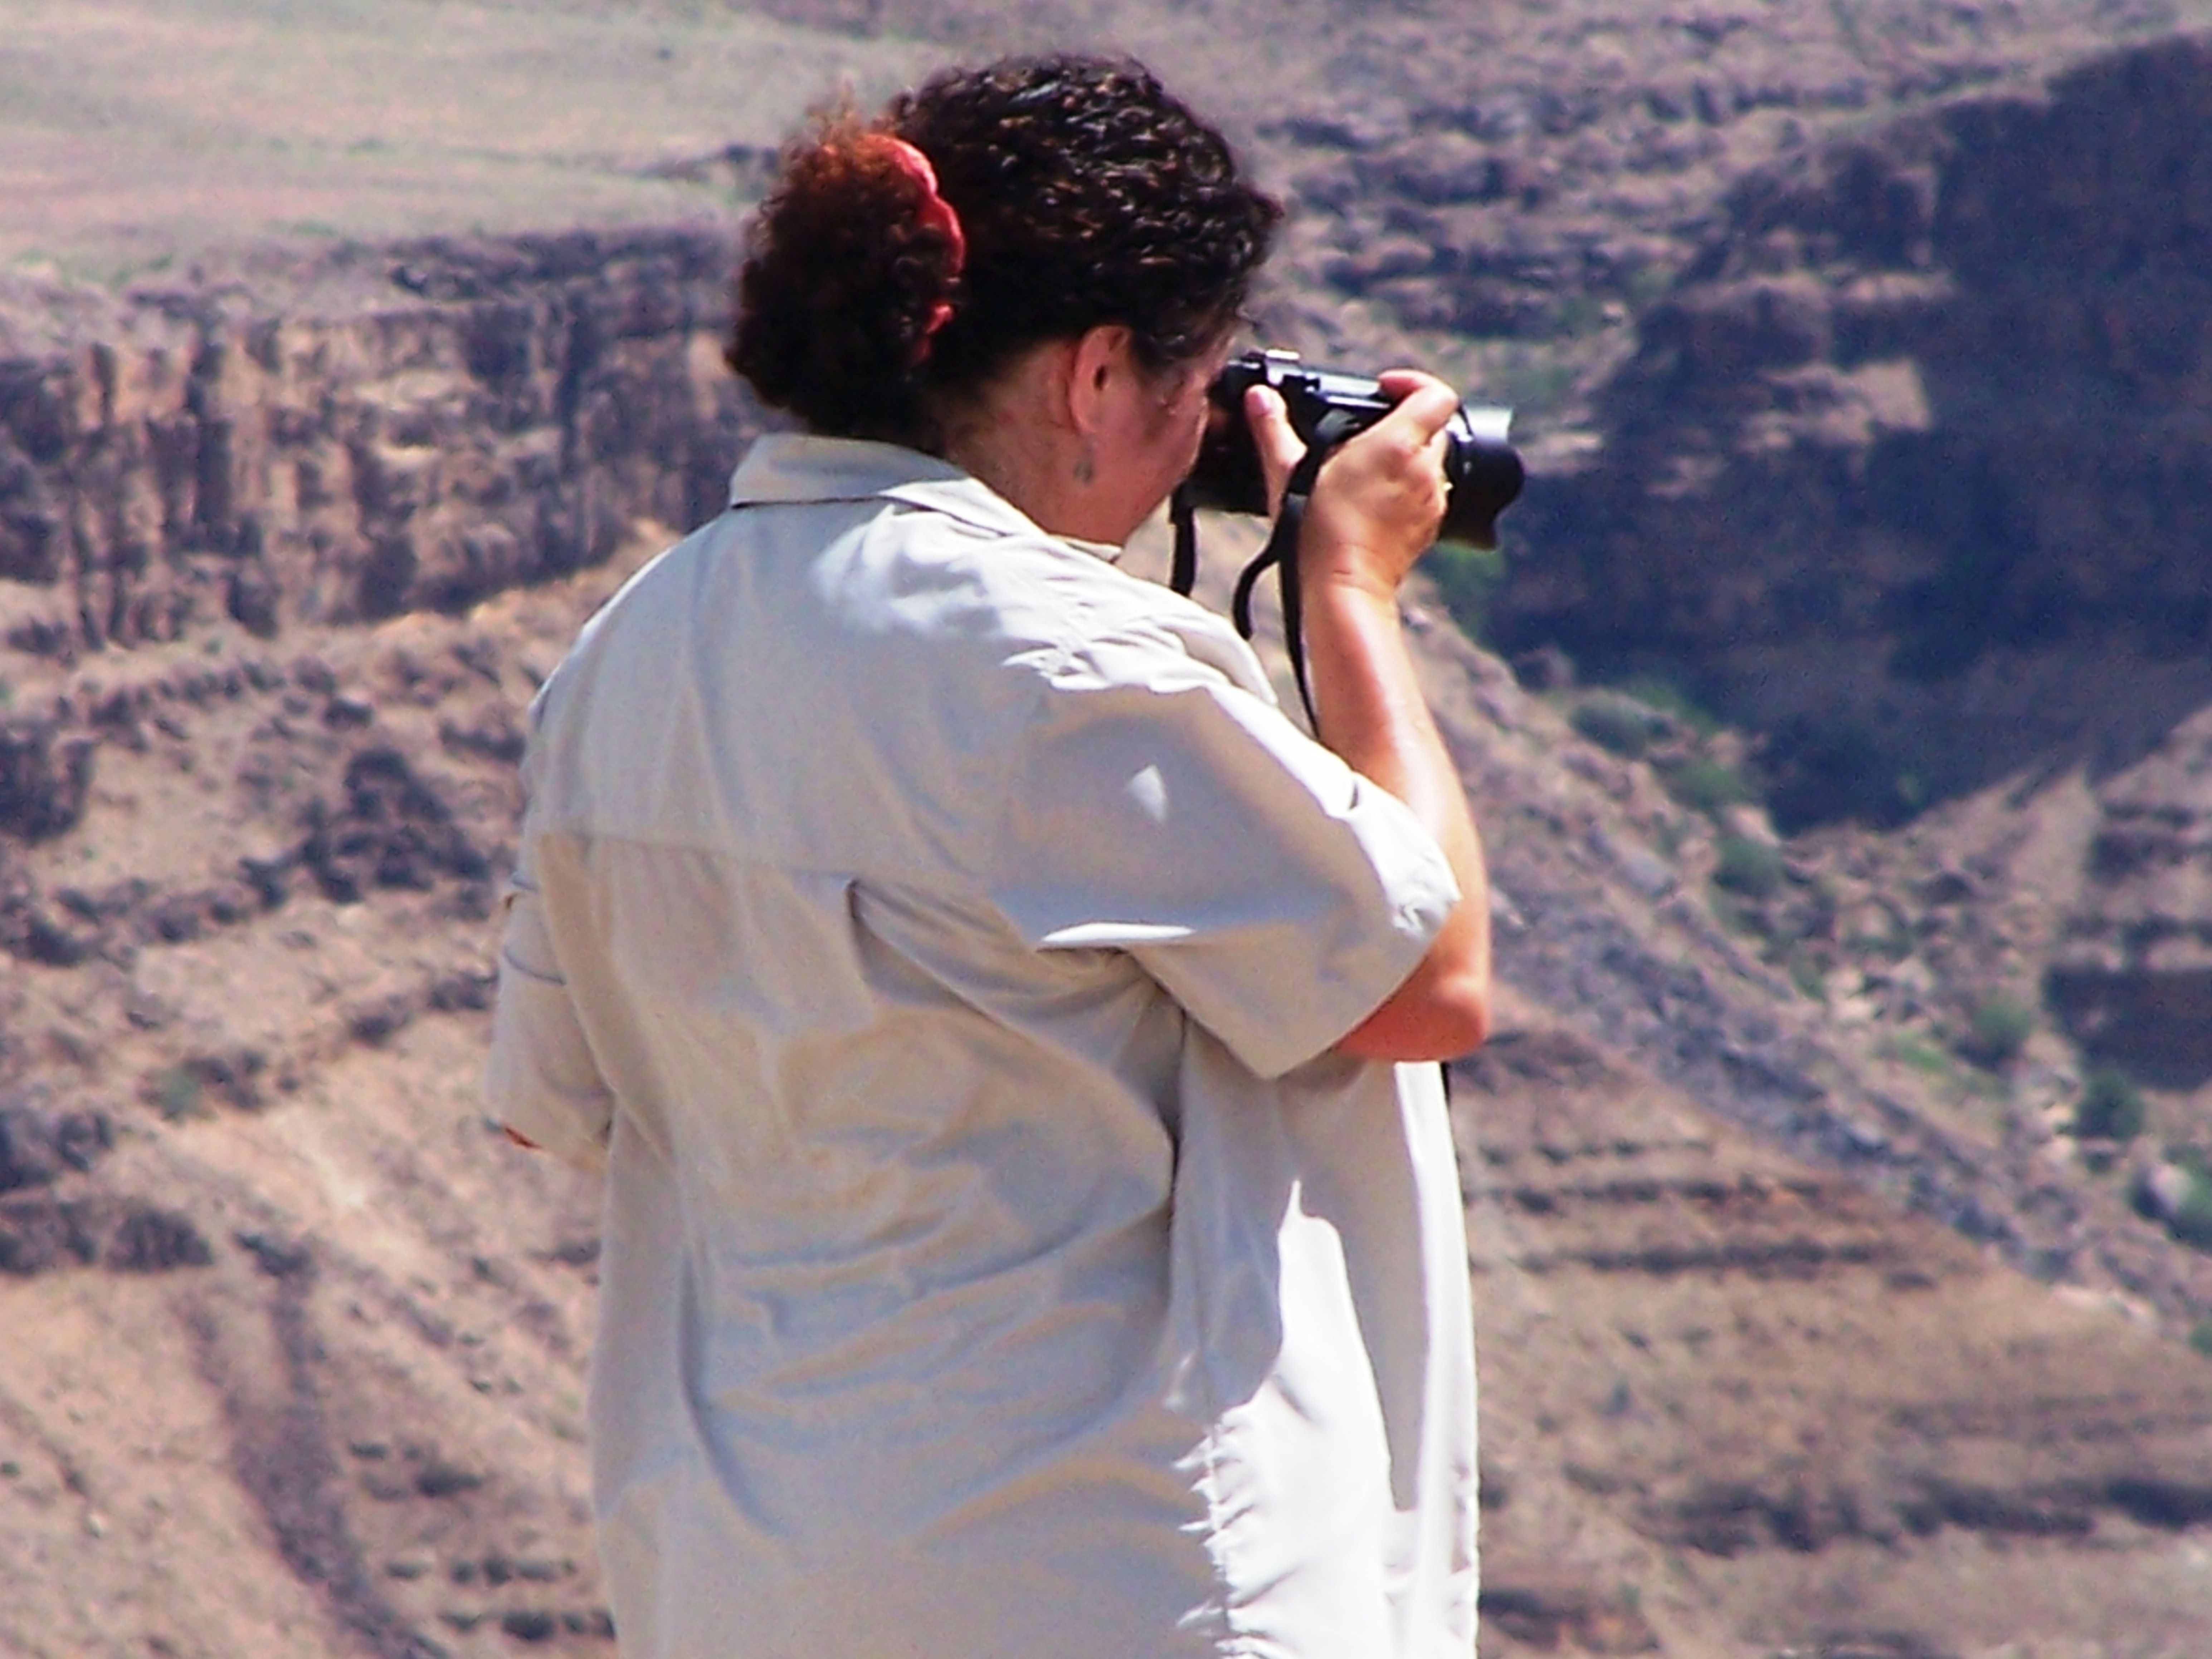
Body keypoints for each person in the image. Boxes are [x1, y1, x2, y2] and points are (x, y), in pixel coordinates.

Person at [486, 53, 1491, 1659]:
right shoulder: (1067, 672)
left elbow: (557, 1106)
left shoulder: (624, 655)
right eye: (1191, 387)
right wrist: (1348, 590)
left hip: (752, 1577)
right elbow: (1428, 978)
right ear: (1094, 375)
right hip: (1119, 1574)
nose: (1197, 436)